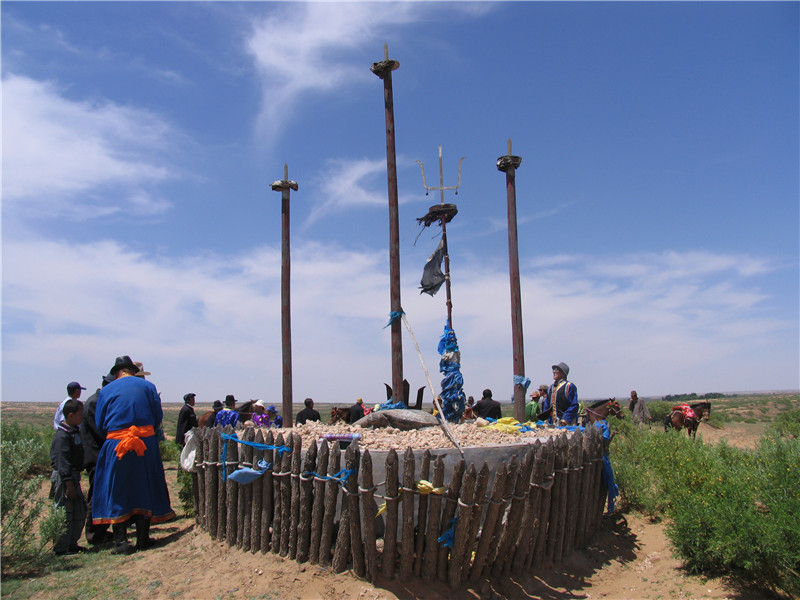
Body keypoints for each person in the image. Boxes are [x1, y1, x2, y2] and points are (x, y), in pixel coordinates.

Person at [92, 356, 174, 554]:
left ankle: (121, 542)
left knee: (116, 488)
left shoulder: (106, 391)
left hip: (116, 444)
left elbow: (100, 422)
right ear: (132, 370)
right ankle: (143, 538)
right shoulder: (148, 387)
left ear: (116, 373)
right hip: (144, 443)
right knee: (144, 485)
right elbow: (157, 417)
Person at [81, 373, 115, 546]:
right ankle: (94, 534)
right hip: (96, 456)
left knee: (102, 493)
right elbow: (100, 431)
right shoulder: (95, 402)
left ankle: (101, 531)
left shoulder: (98, 400)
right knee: (96, 495)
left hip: (101, 454)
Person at [50, 398, 87, 555]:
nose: (82, 417)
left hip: (73, 476)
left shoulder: (74, 432)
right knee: (64, 511)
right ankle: (61, 547)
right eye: (80, 414)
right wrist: (68, 483)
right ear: (70, 415)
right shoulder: (62, 436)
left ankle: (72, 544)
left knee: (78, 510)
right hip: (65, 478)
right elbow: (62, 461)